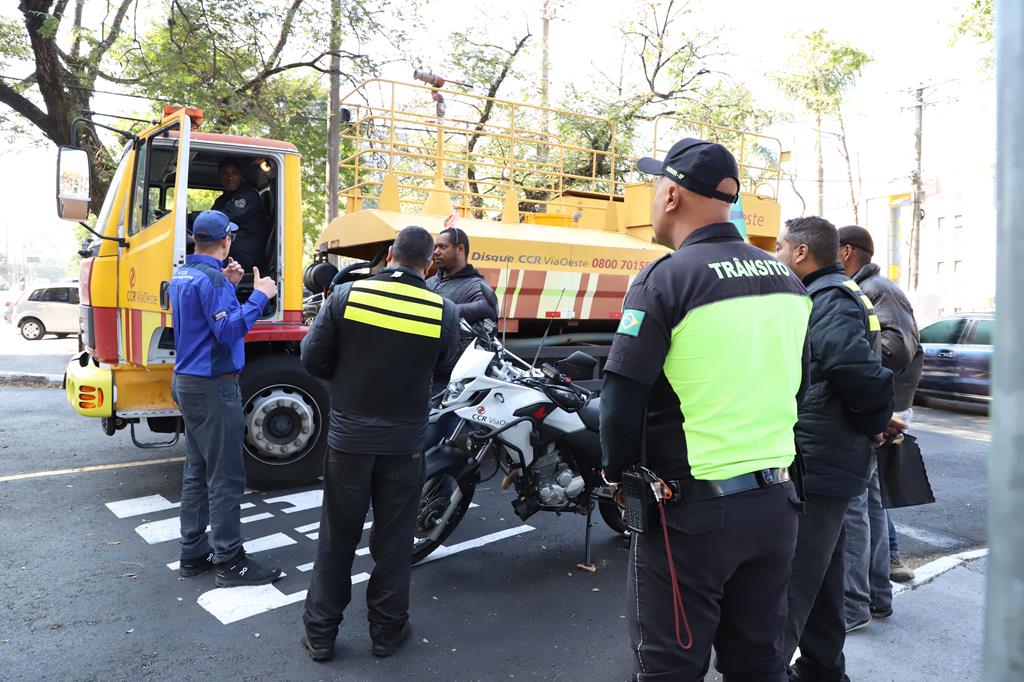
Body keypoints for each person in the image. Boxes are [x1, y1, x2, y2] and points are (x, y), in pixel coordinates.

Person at [600, 138, 813, 682]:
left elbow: (621, 401)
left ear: (671, 195)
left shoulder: (666, 279)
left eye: (654, 187)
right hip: (776, 505)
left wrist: (616, 476)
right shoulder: (786, 279)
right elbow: (800, 385)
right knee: (759, 663)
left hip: (693, 519)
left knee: (670, 666)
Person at [298, 226, 460, 662]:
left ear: (390, 254)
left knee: (337, 536)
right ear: (428, 264)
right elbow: (443, 372)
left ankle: (321, 635)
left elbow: (312, 358)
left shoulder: (348, 296)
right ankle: (387, 633)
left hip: (349, 441)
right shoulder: (442, 310)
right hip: (405, 444)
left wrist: (349, 387)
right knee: (394, 540)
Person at [776, 216, 896, 682]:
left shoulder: (828, 299)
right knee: (824, 579)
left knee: (793, 584)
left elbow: (857, 372)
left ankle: (764, 670)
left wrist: (873, 423)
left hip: (822, 459)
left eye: (782, 247)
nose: (778, 254)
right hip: (830, 456)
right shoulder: (833, 294)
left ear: (802, 253)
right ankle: (823, 670)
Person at [168, 209, 281, 587]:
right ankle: (231, 561)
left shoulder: (183, 274)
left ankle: (193, 551)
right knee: (227, 477)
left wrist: (229, 287)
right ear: (226, 240)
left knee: (197, 472)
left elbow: (200, 323)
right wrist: (260, 296)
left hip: (186, 380)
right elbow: (228, 330)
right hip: (213, 386)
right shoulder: (212, 279)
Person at [838, 224, 924, 624]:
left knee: (859, 504)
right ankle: (875, 596)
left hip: (881, 409)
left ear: (847, 252)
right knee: (869, 500)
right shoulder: (868, 289)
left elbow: (899, 348)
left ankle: (856, 603)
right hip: (879, 405)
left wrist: (857, 364)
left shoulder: (877, 290)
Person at [427, 226, 499, 389]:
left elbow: (487, 308)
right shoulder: (430, 282)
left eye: (442, 247)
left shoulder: (476, 285)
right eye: (435, 247)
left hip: (448, 378)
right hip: (425, 370)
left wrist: (440, 311)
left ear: (460, 249)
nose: (436, 252)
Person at [211, 158, 272, 272]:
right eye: (225, 174)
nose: (230, 178)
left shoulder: (249, 195)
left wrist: (194, 218)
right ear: (220, 176)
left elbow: (223, 217)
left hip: (246, 257)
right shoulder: (221, 200)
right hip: (231, 253)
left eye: (234, 173)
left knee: (206, 267)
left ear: (241, 176)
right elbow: (211, 221)